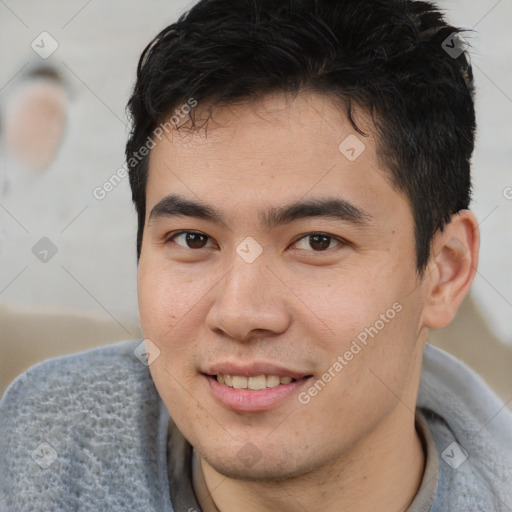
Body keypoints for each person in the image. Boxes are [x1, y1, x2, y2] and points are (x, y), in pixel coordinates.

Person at [1, 0, 511, 510]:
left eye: (317, 241)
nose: (240, 314)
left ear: (445, 272)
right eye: (193, 239)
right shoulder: (37, 443)